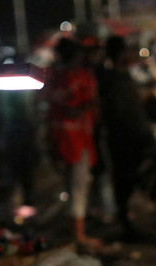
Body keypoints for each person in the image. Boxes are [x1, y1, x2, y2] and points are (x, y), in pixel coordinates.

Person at [44, 37, 102, 249]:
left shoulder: (78, 75)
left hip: (81, 139)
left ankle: (79, 233)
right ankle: (78, 236)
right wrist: (90, 104)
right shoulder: (65, 78)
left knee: (79, 186)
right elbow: (68, 109)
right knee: (77, 187)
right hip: (71, 140)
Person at [97, 35, 153, 241]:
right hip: (122, 136)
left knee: (128, 176)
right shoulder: (112, 79)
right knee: (123, 177)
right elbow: (116, 111)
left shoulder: (120, 76)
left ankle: (127, 219)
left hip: (129, 134)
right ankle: (124, 220)